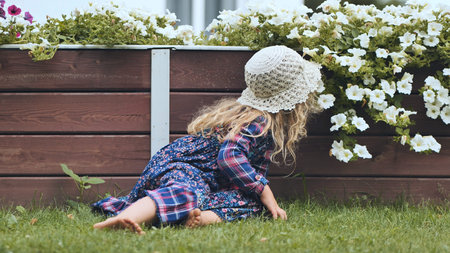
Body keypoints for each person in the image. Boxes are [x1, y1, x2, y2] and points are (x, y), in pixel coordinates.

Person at [92, 45, 323, 234]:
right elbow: (229, 156)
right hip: (184, 166)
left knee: (250, 204)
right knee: (185, 192)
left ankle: (195, 218)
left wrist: (258, 195)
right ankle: (125, 219)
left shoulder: (257, 118)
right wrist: (264, 190)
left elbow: (241, 173)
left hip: (202, 177)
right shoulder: (258, 121)